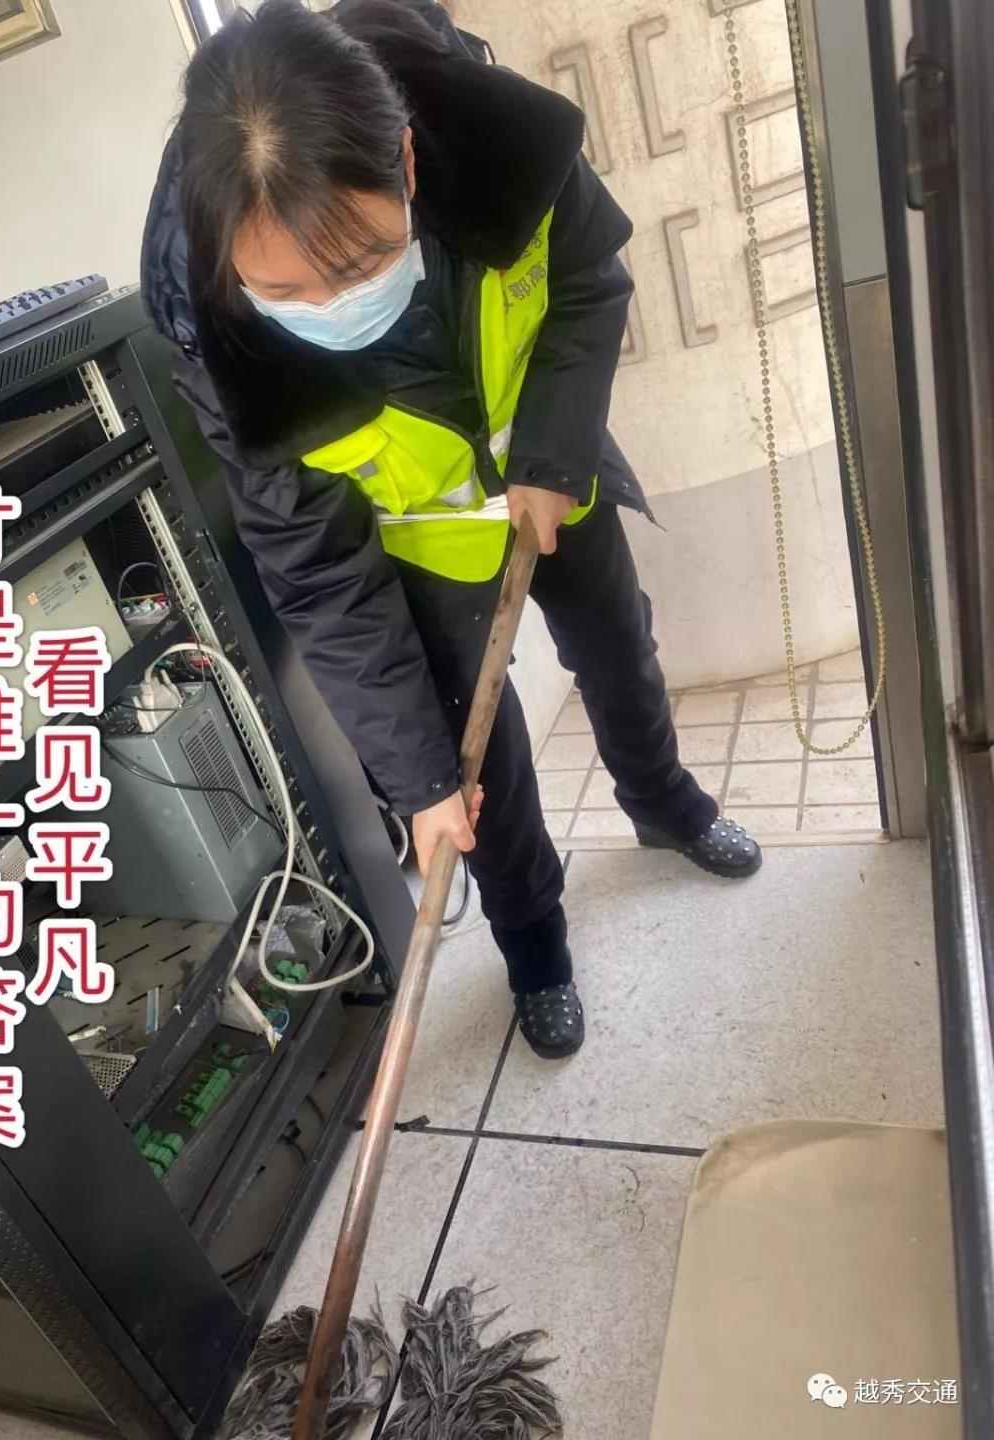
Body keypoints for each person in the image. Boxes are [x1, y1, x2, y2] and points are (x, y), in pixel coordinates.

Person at [141, 0, 761, 1061]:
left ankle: (663, 800)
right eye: (284, 288)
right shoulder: (220, 339)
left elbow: (589, 281)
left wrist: (553, 456)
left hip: (549, 472)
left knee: (619, 647)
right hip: (419, 541)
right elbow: (318, 574)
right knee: (478, 774)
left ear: (407, 165)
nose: (330, 306)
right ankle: (535, 946)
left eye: (358, 262)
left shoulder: (507, 151)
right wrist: (420, 783)